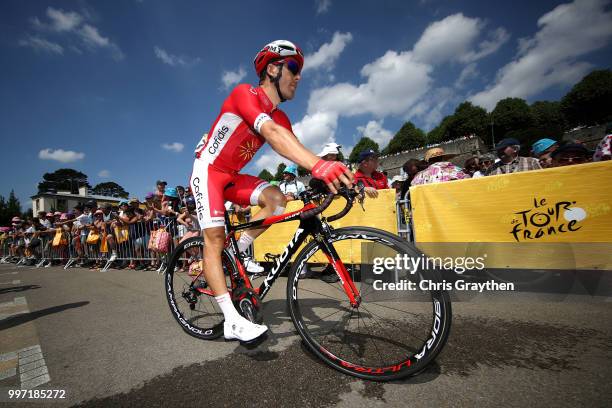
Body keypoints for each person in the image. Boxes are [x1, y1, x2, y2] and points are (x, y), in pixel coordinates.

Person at [189, 39, 353, 342]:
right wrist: (319, 165)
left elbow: (294, 149)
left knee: (276, 199)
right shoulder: (244, 94)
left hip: (232, 175)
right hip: (208, 172)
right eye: (294, 67)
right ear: (273, 68)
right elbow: (272, 134)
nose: (299, 76)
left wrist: (331, 178)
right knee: (213, 238)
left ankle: (240, 245)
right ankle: (230, 320)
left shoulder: (282, 117)